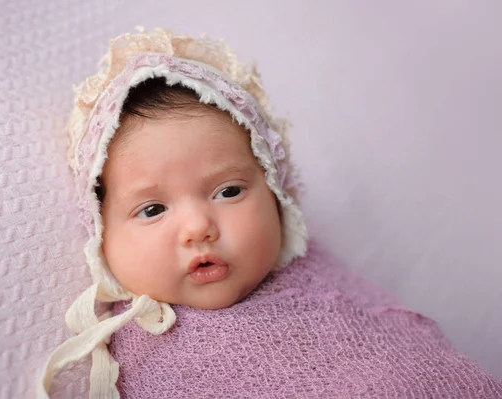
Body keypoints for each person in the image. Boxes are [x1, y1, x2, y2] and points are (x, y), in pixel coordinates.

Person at [38, 28, 502, 398]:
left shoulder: (313, 274)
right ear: (101, 233)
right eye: (153, 209)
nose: (199, 226)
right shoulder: (143, 345)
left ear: (275, 190)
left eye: (229, 190)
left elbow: (411, 359)